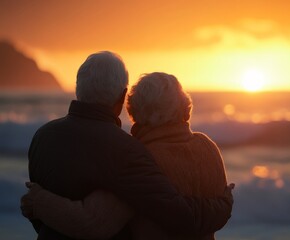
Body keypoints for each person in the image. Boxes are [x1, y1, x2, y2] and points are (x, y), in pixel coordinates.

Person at [21, 51, 233, 240]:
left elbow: (92, 221)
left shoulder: (145, 156)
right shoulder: (209, 148)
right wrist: (224, 205)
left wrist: (38, 202)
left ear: (134, 112)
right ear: (185, 107)